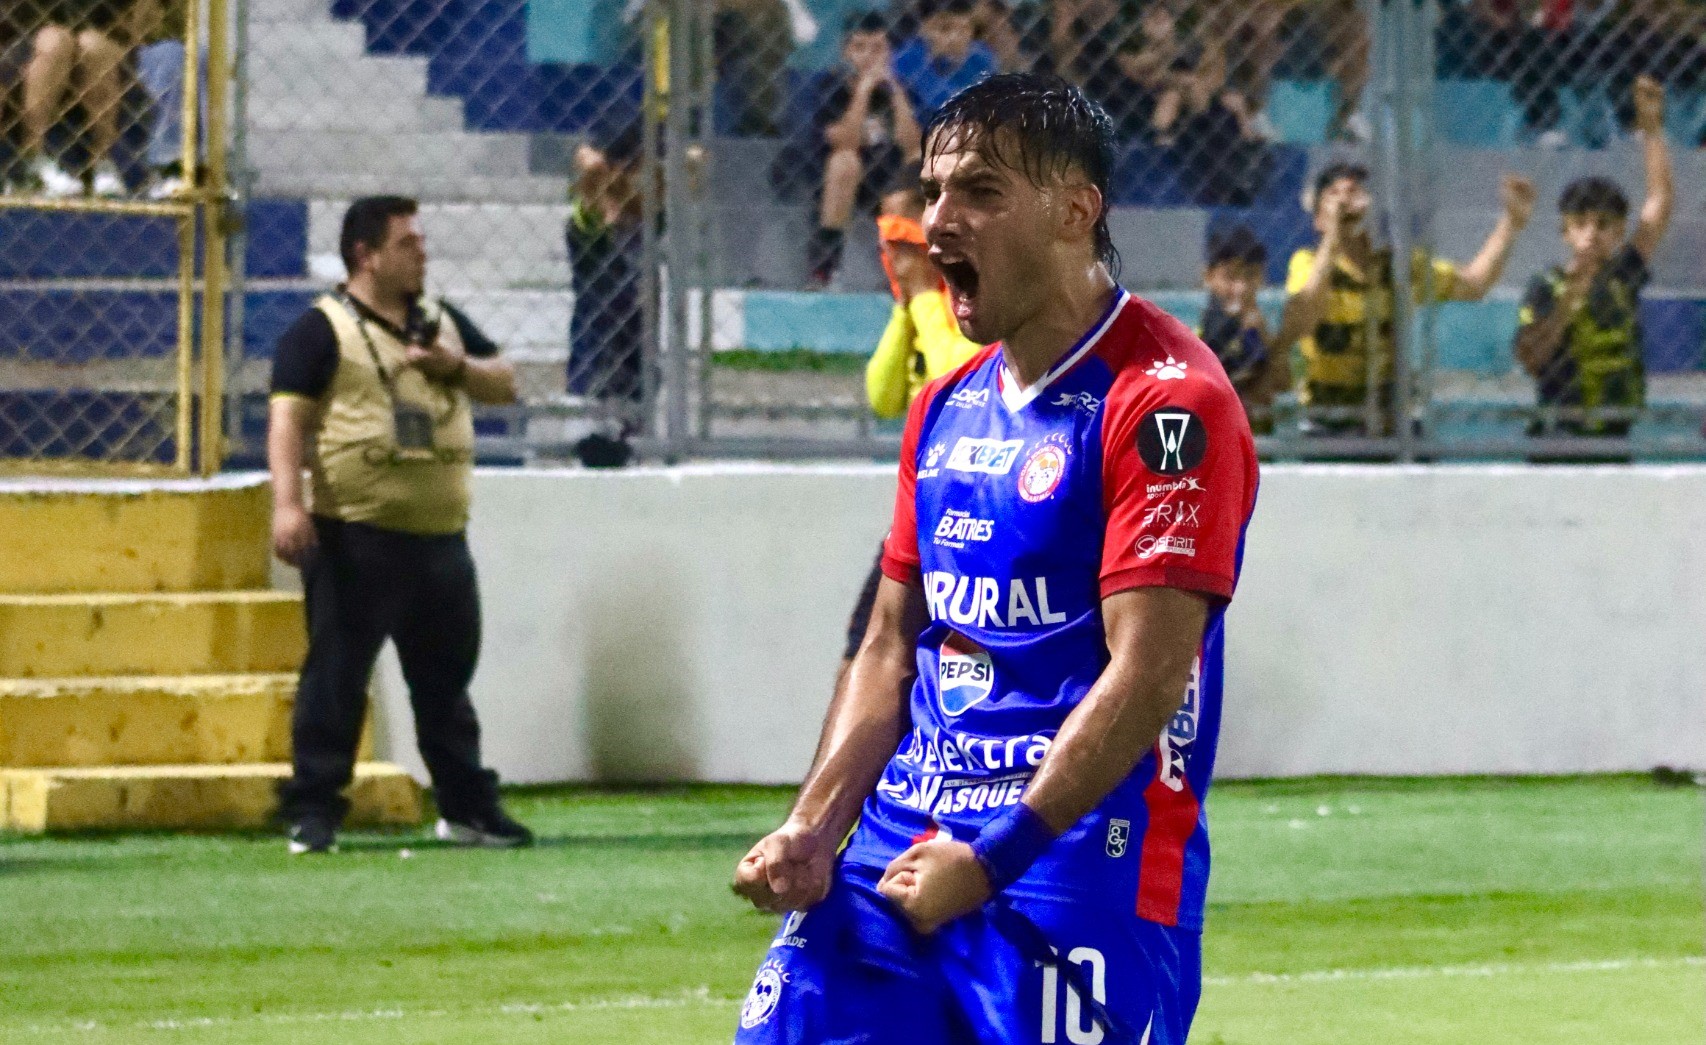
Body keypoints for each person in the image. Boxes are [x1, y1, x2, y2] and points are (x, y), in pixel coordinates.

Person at [732, 73, 1259, 1045]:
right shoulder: (942, 407)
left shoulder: (1165, 401)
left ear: (1073, 210)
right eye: (931, 191)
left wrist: (988, 858)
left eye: (977, 191)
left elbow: (1147, 672)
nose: (938, 221)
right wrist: (813, 826)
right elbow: (891, 646)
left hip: (1072, 865)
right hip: (894, 849)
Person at [269, 196, 533, 855]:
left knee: (446, 682)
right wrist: (288, 503)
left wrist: (457, 368)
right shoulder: (321, 329)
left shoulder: (440, 322)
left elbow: (505, 380)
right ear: (367, 255)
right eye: (409, 243)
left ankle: (467, 806)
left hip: (441, 534)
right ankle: (314, 810)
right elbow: (288, 420)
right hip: (357, 533)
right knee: (336, 676)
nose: (423, 253)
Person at [1280, 161, 1535, 436]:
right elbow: (1300, 319)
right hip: (1328, 418)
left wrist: (1511, 223)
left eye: (1354, 192)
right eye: (1334, 194)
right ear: (1318, 217)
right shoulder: (1308, 263)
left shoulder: (1400, 268)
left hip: (1389, 416)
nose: (1345, 200)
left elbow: (1473, 285)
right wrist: (1333, 237)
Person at [1514, 75, 1672, 447]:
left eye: (1603, 225)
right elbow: (1531, 359)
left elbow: (1659, 204)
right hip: (1558, 436)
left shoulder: (1622, 276)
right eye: (1580, 224)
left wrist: (1652, 129)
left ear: (1618, 233)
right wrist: (1570, 300)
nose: (1591, 234)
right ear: (1564, 233)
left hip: (1616, 435)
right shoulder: (1545, 286)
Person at [807, 11, 923, 288]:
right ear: (846, 52)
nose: (870, 57)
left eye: (878, 48)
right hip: (837, 182)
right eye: (860, 48)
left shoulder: (901, 90)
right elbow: (844, 140)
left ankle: (905, 273)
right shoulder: (830, 87)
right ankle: (826, 271)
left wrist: (894, 91)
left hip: (885, 177)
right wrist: (863, 91)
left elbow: (913, 144)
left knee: (918, 164)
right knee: (845, 161)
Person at [15, 0, 153, 196]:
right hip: (33, 38)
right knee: (56, 41)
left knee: (92, 44)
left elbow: (130, 21)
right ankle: (32, 161)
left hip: (96, 38)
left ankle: (103, 165)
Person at [1198, 225, 1283, 432]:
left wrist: (1262, 334)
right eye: (1230, 276)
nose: (1241, 288)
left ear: (1262, 277)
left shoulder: (1259, 332)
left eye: (1251, 275)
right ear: (1209, 277)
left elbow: (1280, 387)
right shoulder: (1196, 337)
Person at [893, 0, 999, 119]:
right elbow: (942, 102)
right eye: (945, 28)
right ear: (924, 28)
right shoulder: (908, 56)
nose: (954, 37)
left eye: (963, 29)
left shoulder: (981, 55)